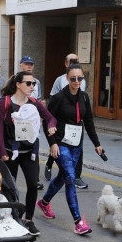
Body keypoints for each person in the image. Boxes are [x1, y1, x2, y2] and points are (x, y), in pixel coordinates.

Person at [37, 64, 103, 235]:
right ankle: (78, 221)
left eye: (79, 78)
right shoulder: (59, 98)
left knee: (63, 176)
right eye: (73, 78)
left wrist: (97, 144)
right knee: (71, 177)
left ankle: (44, 203)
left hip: (76, 144)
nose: (76, 81)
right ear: (67, 78)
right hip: (61, 143)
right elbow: (47, 120)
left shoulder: (84, 97)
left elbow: (88, 122)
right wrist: (52, 143)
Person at [0, 71, 57, 236]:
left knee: (32, 184)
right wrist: (1, 151)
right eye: (28, 83)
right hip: (10, 152)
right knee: (10, 187)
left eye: (33, 84)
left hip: (30, 152)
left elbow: (51, 118)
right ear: (18, 84)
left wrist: (50, 125)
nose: (32, 87)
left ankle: (28, 220)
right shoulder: (5, 103)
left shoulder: (35, 103)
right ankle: (10, 217)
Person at [46, 53, 88, 189]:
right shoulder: (60, 80)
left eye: (76, 60)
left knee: (77, 152)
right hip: (61, 122)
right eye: (71, 61)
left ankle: (77, 176)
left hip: (76, 125)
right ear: (65, 63)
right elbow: (53, 99)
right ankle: (49, 163)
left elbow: (81, 101)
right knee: (58, 149)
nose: (77, 81)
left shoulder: (82, 82)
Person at [19, 55, 45, 190]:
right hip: (19, 121)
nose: (29, 66)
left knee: (35, 147)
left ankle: (35, 179)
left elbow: (39, 99)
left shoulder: (37, 82)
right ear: (21, 65)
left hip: (33, 121)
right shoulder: (16, 81)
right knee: (18, 150)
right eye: (26, 64)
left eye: (31, 64)